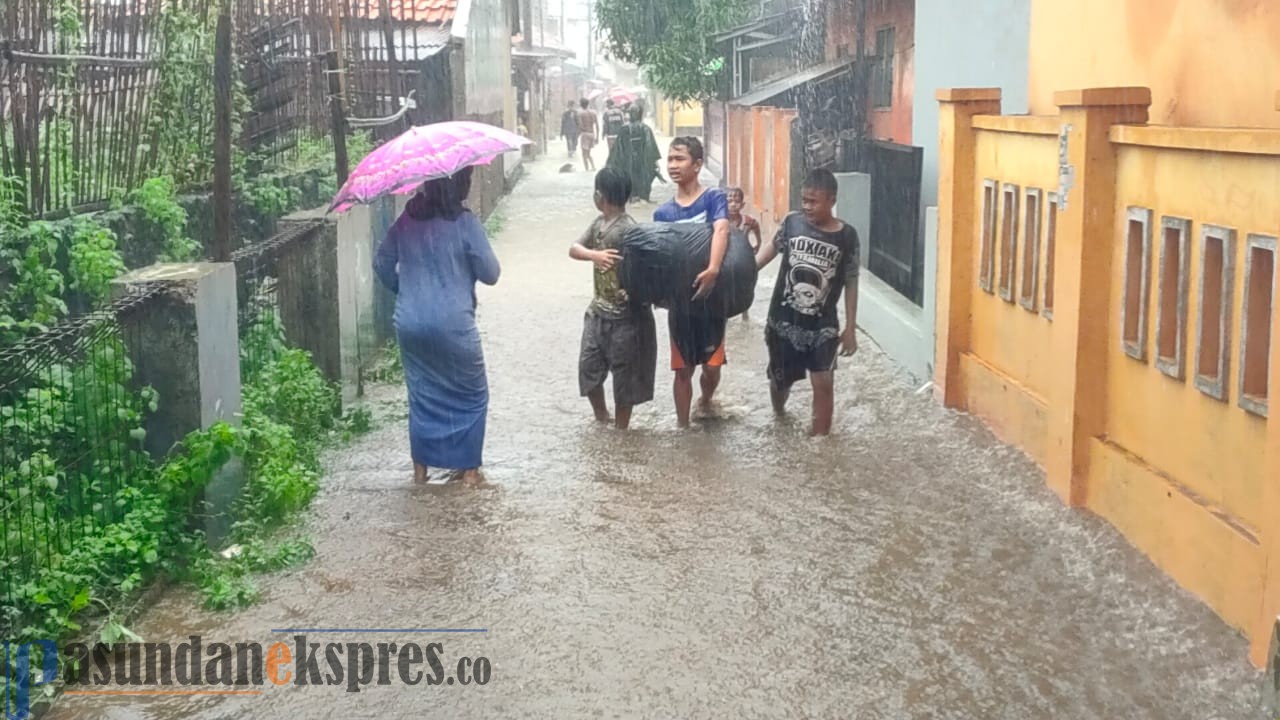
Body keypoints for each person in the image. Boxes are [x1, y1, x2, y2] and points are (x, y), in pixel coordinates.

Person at [373, 167, 501, 486]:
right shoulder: (465, 223)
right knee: (473, 394)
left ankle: (420, 474)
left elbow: (381, 263)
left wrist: (404, 290)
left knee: (422, 394)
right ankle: (469, 473)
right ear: (461, 184)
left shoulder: (407, 219)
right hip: (454, 324)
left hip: (410, 323)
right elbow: (491, 273)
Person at [754, 169, 860, 437]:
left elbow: (851, 281)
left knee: (823, 381)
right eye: (804, 200)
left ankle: (820, 445)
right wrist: (738, 274)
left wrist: (850, 328)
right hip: (783, 321)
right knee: (781, 382)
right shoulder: (792, 223)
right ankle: (779, 416)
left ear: (832, 200)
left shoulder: (847, 237)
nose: (807, 206)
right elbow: (766, 255)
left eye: (814, 201)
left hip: (822, 326)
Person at [569, 168, 657, 430]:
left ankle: (621, 433)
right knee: (588, 369)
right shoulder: (598, 224)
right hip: (598, 312)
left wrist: (632, 290)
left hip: (626, 319)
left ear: (599, 195)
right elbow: (574, 248)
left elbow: (647, 268)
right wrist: (594, 255)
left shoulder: (629, 230)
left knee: (625, 379)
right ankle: (601, 418)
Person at [653, 137, 731, 428]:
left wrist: (712, 269)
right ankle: (683, 428)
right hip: (681, 304)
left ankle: (707, 400)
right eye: (670, 159)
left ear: (697, 165)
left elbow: (721, 229)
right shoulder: (662, 214)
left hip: (712, 300)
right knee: (682, 369)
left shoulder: (713, 199)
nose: (672, 165)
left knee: (711, 368)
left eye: (679, 159)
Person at [606, 106, 662, 203]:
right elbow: (650, 147)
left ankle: (632, 195)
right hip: (642, 160)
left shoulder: (624, 129)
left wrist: (611, 163)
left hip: (628, 160)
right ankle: (643, 196)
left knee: (629, 176)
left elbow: (617, 149)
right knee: (643, 176)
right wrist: (654, 161)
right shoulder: (646, 128)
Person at [576, 98, 600, 171]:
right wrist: (597, 137)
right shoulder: (594, 113)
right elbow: (597, 125)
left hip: (585, 134)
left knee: (584, 154)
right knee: (588, 153)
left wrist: (577, 136)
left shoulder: (580, 113)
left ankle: (586, 169)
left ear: (581, 104)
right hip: (592, 134)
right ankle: (593, 166)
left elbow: (580, 126)